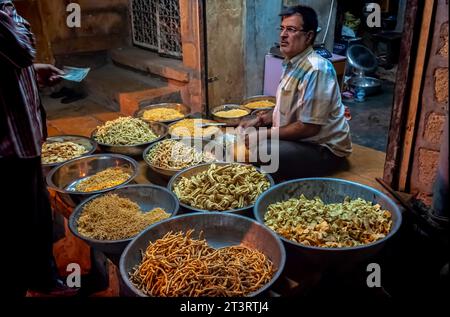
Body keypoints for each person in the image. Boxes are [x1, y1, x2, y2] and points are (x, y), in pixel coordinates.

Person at [0, 0, 76, 296]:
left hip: (23, 140)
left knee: (37, 215)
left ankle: (43, 280)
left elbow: (17, 57)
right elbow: (21, 48)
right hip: (8, 146)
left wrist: (32, 71)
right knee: (15, 229)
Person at [239, 5, 352, 181]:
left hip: (323, 148)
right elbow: (285, 108)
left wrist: (264, 134)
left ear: (309, 36)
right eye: (282, 29)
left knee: (263, 150)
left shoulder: (317, 69)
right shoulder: (292, 63)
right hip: (304, 138)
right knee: (250, 130)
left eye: (291, 30)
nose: (283, 35)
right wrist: (260, 120)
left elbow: (309, 127)